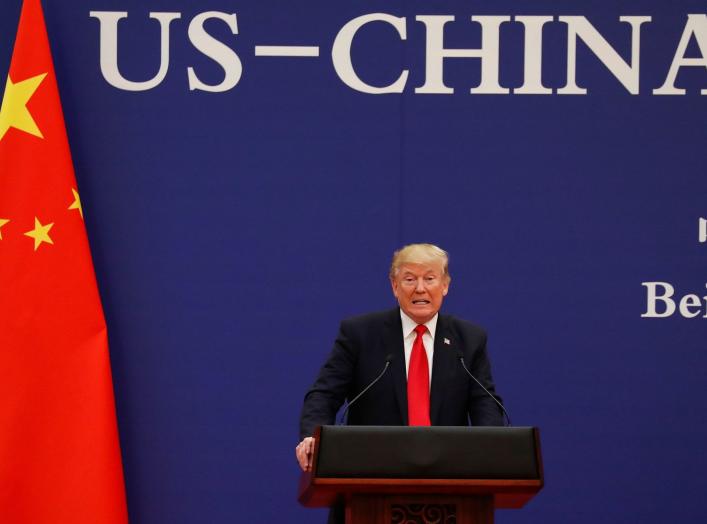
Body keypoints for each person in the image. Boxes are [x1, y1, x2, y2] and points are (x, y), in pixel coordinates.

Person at [295, 243, 505, 475]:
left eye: (430, 278)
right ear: (395, 286)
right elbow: (324, 395)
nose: (420, 289)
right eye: (409, 279)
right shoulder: (360, 334)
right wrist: (311, 437)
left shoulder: (469, 340)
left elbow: (485, 404)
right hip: (370, 474)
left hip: (448, 476)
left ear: (445, 285)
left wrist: (492, 446)